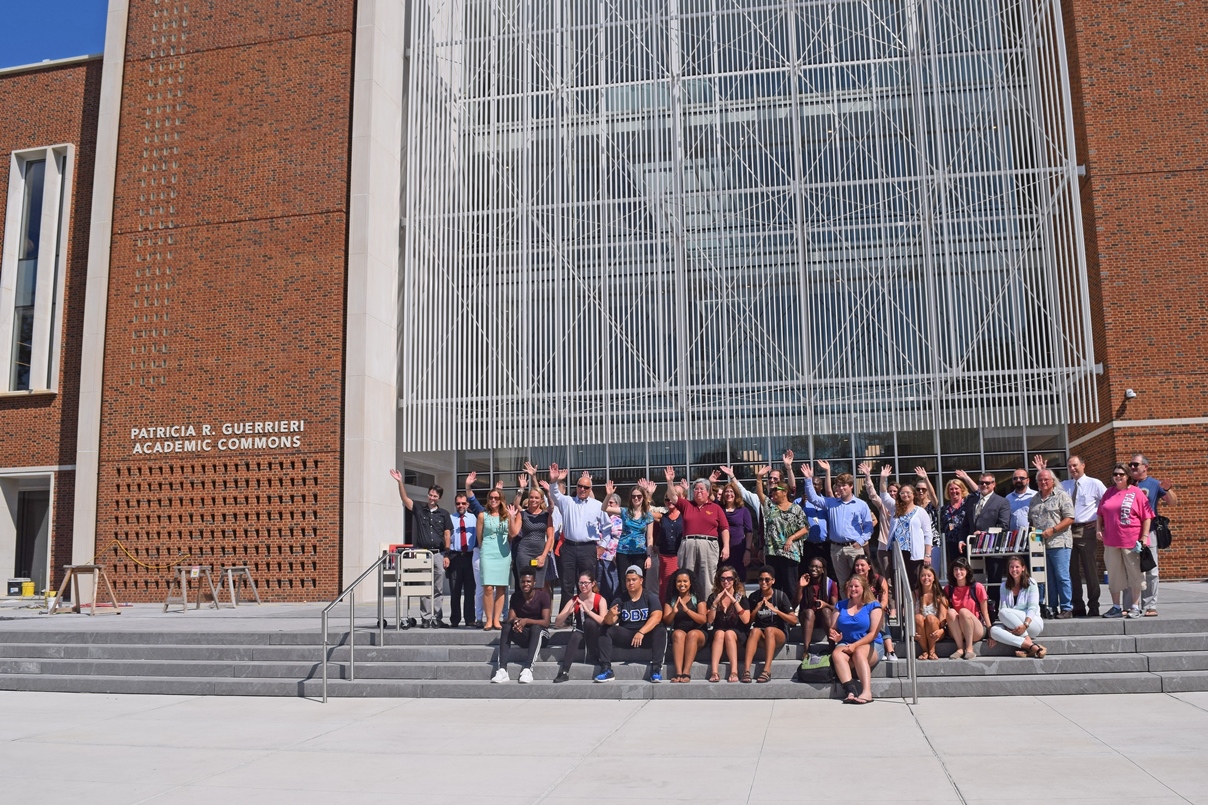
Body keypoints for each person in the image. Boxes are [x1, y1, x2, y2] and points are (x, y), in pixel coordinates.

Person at [389, 469, 452, 627]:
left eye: (435, 496)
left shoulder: (444, 514)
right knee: (425, 587)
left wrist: (447, 555)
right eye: (430, 494)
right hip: (422, 554)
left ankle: (437, 618)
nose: (432, 498)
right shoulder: (419, 509)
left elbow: (447, 535)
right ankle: (425, 618)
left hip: (438, 553)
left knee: (438, 588)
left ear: (439, 498)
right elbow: (405, 499)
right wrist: (400, 482)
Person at [801, 462, 874, 587]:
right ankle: (847, 606)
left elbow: (868, 527)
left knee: (859, 582)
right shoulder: (831, 502)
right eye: (839, 486)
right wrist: (808, 480)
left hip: (854, 548)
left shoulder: (861, 504)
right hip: (836, 549)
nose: (841, 489)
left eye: (844, 486)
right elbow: (813, 498)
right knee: (843, 583)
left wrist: (861, 541)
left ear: (851, 486)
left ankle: (862, 606)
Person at [1098, 464, 1155, 619]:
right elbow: (1100, 513)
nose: (1118, 477)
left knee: (1135, 574)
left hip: (1132, 540)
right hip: (1111, 540)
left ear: (1128, 476)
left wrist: (1144, 537)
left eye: (1121, 474)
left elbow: (1147, 516)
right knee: (1114, 574)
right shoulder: (1109, 492)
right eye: (1115, 474)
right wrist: (1098, 529)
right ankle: (1116, 607)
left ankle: (1135, 607)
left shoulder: (1136, 492)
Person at [665, 467, 731, 603]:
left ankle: (707, 610)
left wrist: (726, 547)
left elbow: (724, 528)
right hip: (688, 544)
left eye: (702, 489)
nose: (698, 491)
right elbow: (672, 497)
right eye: (696, 489)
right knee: (686, 577)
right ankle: (687, 607)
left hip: (708, 544)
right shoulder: (687, 505)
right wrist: (670, 482)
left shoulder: (715, 508)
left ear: (708, 492)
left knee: (707, 579)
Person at [548, 464, 608, 608]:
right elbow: (554, 493)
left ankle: (589, 615)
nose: (582, 489)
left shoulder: (597, 505)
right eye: (580, 486)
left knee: (588, 584)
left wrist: (603, 547)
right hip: (568, 547)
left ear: (590, 489)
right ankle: (566, 618)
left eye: (586, 487)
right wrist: (553, 480)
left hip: (587, 549)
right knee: (567, 585)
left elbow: (607, 528)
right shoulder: (567, 501)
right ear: (576, 486)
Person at [595, 565, 667, 683]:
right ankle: (606, 669)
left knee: (660, 629)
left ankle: (656, 669)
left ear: (641, 580)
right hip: (627, 635)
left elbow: (657, 616)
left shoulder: (650, 596)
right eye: (628, 580)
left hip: (645, 636)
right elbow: (609, 622)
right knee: (605, 629)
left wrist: (641, 632)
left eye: (634, 579)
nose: (631, 583)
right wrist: (609, 615)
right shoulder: (620, 599)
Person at [1127, 453, 1177, 616]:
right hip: (1129, 532)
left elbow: (1173, 502)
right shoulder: (1126, 483)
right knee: (1131, 570)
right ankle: (1129, 606)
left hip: (1149, 532)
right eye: (1131, 465)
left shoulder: (1154, 484)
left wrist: (1168, 490)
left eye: (1135, 465)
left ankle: (1150, 605)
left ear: (1145, 467)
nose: (1132, 467)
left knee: (1151, 570)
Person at [754, 464, 810, 600]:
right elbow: (760, 494)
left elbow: (806, 528)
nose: (773, 493)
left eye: (776, 491)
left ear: (784, 492)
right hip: (773, 553)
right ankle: (777, 615)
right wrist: (759, 477)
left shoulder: (795, 509)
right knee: (775, 586)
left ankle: (791, 613)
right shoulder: (771, 507)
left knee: (790, 585)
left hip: (790, 554)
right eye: (772, 492)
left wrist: (791, 538)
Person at [1027, 461, 1075, 619]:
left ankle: (1067, 607)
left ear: (1053, 481)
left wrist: (1053, 530)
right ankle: (1052, 606)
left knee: (1062, 576)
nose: (1043, 482)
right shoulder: (1034, 499)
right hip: (1040, 545)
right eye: (1040, 480)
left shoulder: (1062, 496)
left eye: (1046, 480)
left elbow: (1070, 518)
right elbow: (1031, 521)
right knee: (1048, 579)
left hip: (1059, 542)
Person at [1062, 456, 1107, 617]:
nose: (1072, 469)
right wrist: (1041, 471)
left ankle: (1094, 605)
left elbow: (1107, 504)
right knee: (1071, 571)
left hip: (1086, 531)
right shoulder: (1065, 485)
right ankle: (1077, 605)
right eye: (1069, 466)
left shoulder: (1094, 484)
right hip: (1067, 531)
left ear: (1083, 465)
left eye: (1075, 465)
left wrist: (1098, 523)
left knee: (1090, 570)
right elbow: (1050, 485)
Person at [829, 574, 884, 704]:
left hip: (870, 643)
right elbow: (833, 628)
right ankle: (850, 690)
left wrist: (854, 646)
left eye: (856, 586)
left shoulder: (873, 605)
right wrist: (836, 635)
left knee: (858, 653)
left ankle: (867, 692)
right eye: (850, 586)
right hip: (846, 642)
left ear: (864, 588)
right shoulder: (840, 605)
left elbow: (873, 634)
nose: (853, 589)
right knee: (837, 654)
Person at [738, 565, 797, 683]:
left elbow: (794, 620)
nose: (763, 582)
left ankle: (767, 670)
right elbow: (748, 622)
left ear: (773, 581)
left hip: (778, 634)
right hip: (760, 634)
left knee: (770, 630)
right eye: (760, 579)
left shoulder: (780, 596)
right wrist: (756, 609)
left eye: (767, 580)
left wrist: (777, 611)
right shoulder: (754, 596)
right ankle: (746, 670)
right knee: (754, 631)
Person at [492, 567, 551, 683]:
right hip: (524, 634)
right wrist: (516, 623)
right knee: (507, 627)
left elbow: (546, 622)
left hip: (541, 636)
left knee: (536, 628)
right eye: (523, 581)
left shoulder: (543, 596)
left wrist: (526, 621)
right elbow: (511, 618)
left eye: (528, 581)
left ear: (534, 582)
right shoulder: (515, 597)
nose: (525, 584)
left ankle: (528, 669)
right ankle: (502, 670)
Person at [552, 570, 607, 682]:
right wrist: (568, 612)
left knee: (589, 622)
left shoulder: (599, 599)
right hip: (582, 636)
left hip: (596, 636)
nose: (583, 586)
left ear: (592, 584)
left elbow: (603, 621)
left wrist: (588, 611)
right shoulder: (575, 599)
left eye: (586, 583)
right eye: (581, 583)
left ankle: (594, 656)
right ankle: (564, 671)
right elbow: (557, 622)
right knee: (575, 636)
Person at [988, 554, 1046, 658]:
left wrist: (1025, 626)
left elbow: (1032, 608)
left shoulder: (1031, 583)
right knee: (993, 631)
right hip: (1013, 626)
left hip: (1032, 623)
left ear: (1023, 568)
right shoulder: (1004, 586)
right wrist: (1009, 625)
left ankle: (1027, 641)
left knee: (1002, 612)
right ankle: (1030, 645)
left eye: (1017, 567)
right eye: (1011, 567)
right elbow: (1004, 607)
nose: (1014, 569)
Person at [476, 485, 511, 630]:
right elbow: (479, 537)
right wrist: (485, 548)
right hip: (488, 551)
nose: (493, 500)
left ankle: (497, 620)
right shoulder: (482, 515)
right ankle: (489, 619)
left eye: (496, 498)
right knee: (488, 587)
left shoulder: (507, 515)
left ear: (501, 499)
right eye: (491, 497)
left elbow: (512, 534)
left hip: (503, 553)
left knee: (501, 588)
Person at [510, 481, 555, 594]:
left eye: (536, 497)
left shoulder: (546, 515)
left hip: (540, 553)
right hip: (524, 552)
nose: (533, 500)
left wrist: (544, 556)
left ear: (541, 500)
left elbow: (550, 538)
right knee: (525, 584)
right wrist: (511, 518)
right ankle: (523, 610)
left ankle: (538, 611)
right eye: (531, 497)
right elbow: (514, 532)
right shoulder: (523, 514)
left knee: (539, 585)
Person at [706, 564, 749, 682]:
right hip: (719, 631)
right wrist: (715, 603)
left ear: (734, 580)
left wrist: (734, 601)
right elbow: (709, 621)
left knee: (729, 633)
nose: (726, 581)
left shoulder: (741, 597)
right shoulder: (713, 597)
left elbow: (746, 620)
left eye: (729, 578)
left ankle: (734, 671)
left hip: (737, 631)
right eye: (723, 578)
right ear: (718, 580)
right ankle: (714, 672)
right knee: (720, 633)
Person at [663, 569, 707, 682]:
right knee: (678, 634)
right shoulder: (671, 599)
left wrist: (687, 610)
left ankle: (686, 672)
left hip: (698, 632)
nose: (682, 584)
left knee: (692, 635)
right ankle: (678, 672)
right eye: (679, 581)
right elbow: (666, 621)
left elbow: (703, 619)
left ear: (690, 582)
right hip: (680, 631)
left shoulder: (697, 597)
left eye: (685, 581)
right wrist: (674, 612)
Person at [944, 556, 991, 659]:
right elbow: (943, 611)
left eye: (961, 569)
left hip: (975, 629)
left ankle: (969, 649)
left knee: (963, 612)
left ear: (967, 571)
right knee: (951, 612)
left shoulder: (977, 587)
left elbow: (985, 612)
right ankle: (960, 648)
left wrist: (990, 632)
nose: (958, 572)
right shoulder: (948, 589)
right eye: (955, 569)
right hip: (958, 631)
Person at [886, 481, 932, 583]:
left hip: (912, 553)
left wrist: (927, 554)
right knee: (897, 581)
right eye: (902, 493)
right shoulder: (895, 509)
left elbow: (928, 534)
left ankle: (914, 600)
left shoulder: (920, 511)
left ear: (913, 494)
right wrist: (883, 478)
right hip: (896, 551)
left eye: (908, 492)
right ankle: (900, 599)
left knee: (913, 582)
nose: (905, 495)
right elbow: (884, 496)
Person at [853, 555, 897, 662]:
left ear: (869, 566)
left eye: (862, 565)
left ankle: (890, 650)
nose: (859, 568)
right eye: (857, 565)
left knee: (879, 616)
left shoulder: (879, 579)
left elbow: (885, 601)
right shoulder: (853, 581)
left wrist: (876, 609)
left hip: (877, 609)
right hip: (859, 610)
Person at [446, 492, 478, 628]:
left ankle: (470, 618)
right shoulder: (450, 518)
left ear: (468, 504)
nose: (460, 506)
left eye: (463, 503)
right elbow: (446, 537)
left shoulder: (474, 518)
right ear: (455, 504)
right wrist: (446, 555)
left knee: (470, 590)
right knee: (455, 590)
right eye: (458, 503)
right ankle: (455, 619)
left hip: (470, 556)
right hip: (455, 557)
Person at [797, 557, 838, 653]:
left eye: (817, 567)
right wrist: (800, 587)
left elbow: (836, 608)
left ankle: (832, 648)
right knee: (810, 612)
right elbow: (794, 605)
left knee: (826, 611)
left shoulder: (830, 583)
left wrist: (825, 605)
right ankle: (806, 651)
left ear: (823, 570)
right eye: (812, 566)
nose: (814, 569)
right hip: (807, 617)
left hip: (824, 618)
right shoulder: (804, 581)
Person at [616, 480, 656, 578]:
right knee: (624, 582)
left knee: (639, 581)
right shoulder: (625, 512)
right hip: (623, 552)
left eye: (639, 496)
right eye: (634, 496)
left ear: (643, 498)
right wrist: (608, 495)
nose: (636, 498)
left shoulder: (647, 515)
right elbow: (604, 508)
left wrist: (649, 556)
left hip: (640, 552)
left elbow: (650, 537)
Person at [718, 474, 754, 582]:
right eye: (727, 492)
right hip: (721, 549)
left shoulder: (743, 511)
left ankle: (738, 599)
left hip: (739, 549)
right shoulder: (719, 508)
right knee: (722, 579)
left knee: (738, 580)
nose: (729, 494)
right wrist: (710, 482)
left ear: (736, 494)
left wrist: (747, 551)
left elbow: (749, 532)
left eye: (731, 491)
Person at [653, 486, 684, 603]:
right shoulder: (662, 516)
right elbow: (644, 512)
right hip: (665, 557)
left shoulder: (685, 514)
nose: (669, 501)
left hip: (680, 556)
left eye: (672, 498)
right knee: (665, 585)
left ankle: (679, 609)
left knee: (679, 584)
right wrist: (649, 494)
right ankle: (665, 611)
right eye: (667, 499)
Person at [913, 565, 948, 660]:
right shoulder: (914, 594)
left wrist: (941, 631)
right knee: (918, 617)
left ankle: (932, 650)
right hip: (920, 631)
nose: (926, 578)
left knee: (930, 618)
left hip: (937, 630)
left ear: (934, 578)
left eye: (929, 575)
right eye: (923, 575)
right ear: (919, 578)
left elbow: (943, 621)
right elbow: (909, 616)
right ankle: (925, 650)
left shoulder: (940, 596)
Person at [939, 475, 970, 575]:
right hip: (951, 543)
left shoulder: (968, 504)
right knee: (955, 568)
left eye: (956, 488)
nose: (954, 491)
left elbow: (978, 492)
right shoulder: (944, 508)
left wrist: (965, 477)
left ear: (962, 489)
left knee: (966, 568)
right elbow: (943, 526)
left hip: (966, 542)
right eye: (951, 489)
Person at [597, 489, 624, 602]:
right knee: (600, 584)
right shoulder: (600, 519)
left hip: (612, 557)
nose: (608, 504)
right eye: (607, 502)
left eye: (611, 503)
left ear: (617, 505)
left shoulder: (620, 520)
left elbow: (619, 537)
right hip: (599, 557)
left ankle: (614, 607)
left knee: (613, 584)